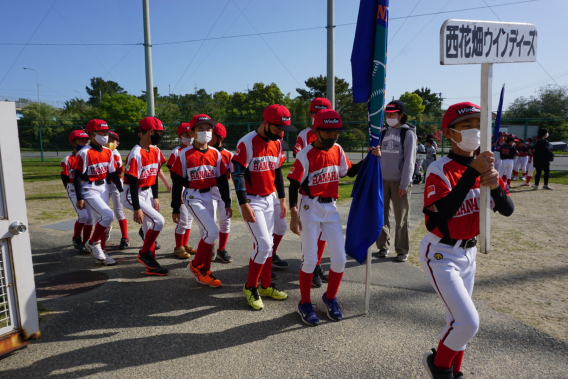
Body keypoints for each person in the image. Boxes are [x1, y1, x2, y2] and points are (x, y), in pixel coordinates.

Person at [420, 102, 514, 379]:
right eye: (467, 126)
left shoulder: (487, 167)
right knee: (468, 322)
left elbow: (508, 210)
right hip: (440, 253)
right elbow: (444, 214)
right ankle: (438, 364)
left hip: (468, 253)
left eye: (479, 125)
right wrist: (472, 172)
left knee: (456, 321)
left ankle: (455, 371)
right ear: (449, 133)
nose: (475, 131)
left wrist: (496, 187)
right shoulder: (439, 168)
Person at [288, 109, 380, 326]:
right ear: (317, 131)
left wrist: (370, 158)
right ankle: (304, 303)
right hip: (310, 206)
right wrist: (293, 213)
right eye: (327, 132)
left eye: (335, 132)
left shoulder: (337, 149)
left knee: (339, 258)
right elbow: (293, 184)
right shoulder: (305, 154)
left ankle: (329, 298)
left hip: (330, 207)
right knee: (310, 259)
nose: (332, 136)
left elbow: (347, 171)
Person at [232, 104, 297, 310]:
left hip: (270, 198)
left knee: (276, 234)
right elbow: (238, 173)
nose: (281, 132)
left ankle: (267, 285)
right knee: (264, 245)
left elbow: (277, 171)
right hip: (252, 200)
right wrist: (242, 203)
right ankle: (251, 286)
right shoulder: (247, 142)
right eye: (278, 128)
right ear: (265, 123)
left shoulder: (277, 142)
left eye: (283, 129)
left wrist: (283, 198)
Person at [170, 117, 232, 287]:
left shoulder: (215, 153)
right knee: (212, 231)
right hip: (192, 196)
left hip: (209, 196)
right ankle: (196, 265)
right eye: (201, 129)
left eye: (209, 129)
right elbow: (177, 183)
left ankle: (206, 270)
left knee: (208, 235)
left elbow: (222, 180)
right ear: (192, 133)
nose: (206, 132)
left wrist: (227, 202)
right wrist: (175, 207)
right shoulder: (184, 154)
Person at [290, 97, 332, 287]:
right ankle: (310, 264)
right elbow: (299, 156)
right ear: (310, 115)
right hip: (310, 191)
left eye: (324, 113)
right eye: (316, 113)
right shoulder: (305, 134)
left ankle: (316, 265)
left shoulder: (332, 132)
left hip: (328, 189)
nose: (319, 117)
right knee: (310, 232)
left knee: (323, 233)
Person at [122, 117, 169, 276]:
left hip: (148, 192)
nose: (160, 135)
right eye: (159, 132)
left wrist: (155, 197)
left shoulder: (155, 150)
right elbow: (133, 182)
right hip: (132, 193)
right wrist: (136, 208)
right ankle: (144, 254)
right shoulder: (136, 153)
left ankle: (151, 266)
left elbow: (154, 175)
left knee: (149, 227)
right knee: (159, 221)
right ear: (151, 132)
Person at [73, 119, 123, 265]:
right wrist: (79, 197)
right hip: (89, 188)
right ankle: (93, 242)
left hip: (104, 188)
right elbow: (76, 176)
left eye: (106, 131)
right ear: (91, 133)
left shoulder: (108, 151)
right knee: (108, 215)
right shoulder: (84, 152)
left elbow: (113, 173)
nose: (105, 135)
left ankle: (101, 252)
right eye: (101, 132)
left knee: (101, 221)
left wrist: (120, 189)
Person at [374, 100, 417, 262]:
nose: (389, 117)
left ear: (401, 115)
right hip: (382, 181)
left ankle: (401, 250)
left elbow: (409, 161)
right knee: (381, 216)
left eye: (393, 114)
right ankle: (383, 246)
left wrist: (404, 184)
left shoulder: (408, 134)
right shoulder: (384, 133)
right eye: (388, 114)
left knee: (401, 218)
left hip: (400, 182)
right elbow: (378, 157)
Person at [166, 121, 196, 259]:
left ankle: (185, 244)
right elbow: (173, 173)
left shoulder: (193, 150)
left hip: (191, 188)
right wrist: (179, 192)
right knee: (183, 220)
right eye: (186, 134)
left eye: (191, 134)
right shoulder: (176, 151)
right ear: (180, 136)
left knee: (189, 219)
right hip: (181, 187)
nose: (189, 137)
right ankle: (178, 247)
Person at [61, 129, 92, 253]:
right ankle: (76, 238)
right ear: (73, 143)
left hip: (87, 188)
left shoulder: (89, 156)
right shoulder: (68, 159)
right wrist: (71, 192)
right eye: (81, 140)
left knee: (90, 218)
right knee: (83, 215)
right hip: (74, 189)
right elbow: (65, 178)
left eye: (86, 140)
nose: (84, 143)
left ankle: (87, 241)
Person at [208, 121, 234, 263]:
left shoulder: (228, 155)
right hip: (208, 191)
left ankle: (221, 250)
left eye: (211, 135)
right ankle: (210, 246)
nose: (207, 136)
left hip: (224, 192)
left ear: (220, 138)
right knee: (211, 222)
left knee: (225, 222)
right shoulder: (205, 152)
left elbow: (235, 175)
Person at [105, 131, 129, 250]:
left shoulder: (115, 153)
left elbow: (114, 171)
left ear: (117, 143)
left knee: (119, 211)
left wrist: (120, 188)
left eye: (113, 140)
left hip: (115, 184)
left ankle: (125, 237)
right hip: (102, 184)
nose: (110, 142)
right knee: (102, 211)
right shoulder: (101, 152)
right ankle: (106, 228)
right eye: (108, 139)